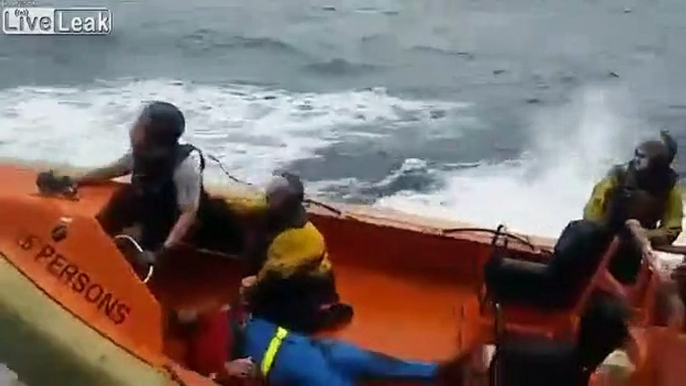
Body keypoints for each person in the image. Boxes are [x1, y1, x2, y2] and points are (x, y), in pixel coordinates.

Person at [71, 101, 208, 265]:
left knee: (130, 245)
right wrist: (76, 181)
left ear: (151, 135)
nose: (132, 128)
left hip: (171, 218)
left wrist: (162, 251)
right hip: (149, 206)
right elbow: (115, 169)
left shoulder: (185, 164)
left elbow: (188, 213)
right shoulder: (143, 151)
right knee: (121, 201)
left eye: (139, 124)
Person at [241, 173, 353, 334]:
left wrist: (251, 290)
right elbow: (247, 205)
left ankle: (324, 316)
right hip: (282, 271)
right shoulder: (274, 213)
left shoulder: (302, 237)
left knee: (274, 316)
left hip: (308, 284)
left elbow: (273, 275)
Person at [583, 131, 683, 285]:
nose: (636, 160)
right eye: (636, 154)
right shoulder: (618, 176)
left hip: (636, 245)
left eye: (642, 157)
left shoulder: (670, 189)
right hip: (605, 238)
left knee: (627, 275)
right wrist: (597, 232)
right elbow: (594, 208)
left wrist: (647, 235)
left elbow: (672, 228)